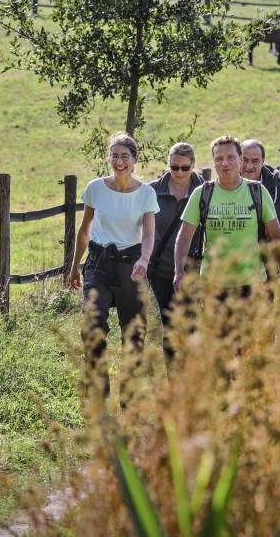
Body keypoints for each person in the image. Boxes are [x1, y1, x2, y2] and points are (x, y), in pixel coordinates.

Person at [69, 132, 160, 401]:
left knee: (133, 331)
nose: (119, 161)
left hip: (132, 266)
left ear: (135, 159)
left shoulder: (146, 194)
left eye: (125, 156)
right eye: (115, 156)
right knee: (93, 325)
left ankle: (129, 396)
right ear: (109, 158)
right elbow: (85, 231)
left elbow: (149, 235)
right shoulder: (95, 188)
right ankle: (97, 393)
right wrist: (75, 267)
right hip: (98, 264)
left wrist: (144, 260)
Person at [173, 136, 280, 298]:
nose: (224, 163)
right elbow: (184, 236)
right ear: (213, 162)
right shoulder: (202, 194)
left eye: (230, 157)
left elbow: (277, 236)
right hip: (213, 286)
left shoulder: (258, 192)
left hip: (254, 285)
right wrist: (179, 271)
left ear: (240, 160)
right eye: (219, 158)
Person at [148, 142, 204, 364]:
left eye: (185, 167)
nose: (180, 172)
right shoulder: (152, 191)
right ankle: (174, 382)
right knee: (169, 326)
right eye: (175, 167)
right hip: (161, 271)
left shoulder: (205, 191)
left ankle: (190, 380)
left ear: (193, 165)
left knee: (189, 324)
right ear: (168, 165)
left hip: (194, 271)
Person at [240, 139, 280, 246]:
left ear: (263, 161)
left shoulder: (279, 188)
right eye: (245, 160)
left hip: (272, 261)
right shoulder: (227, 188)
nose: (249, 166)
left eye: (255, 161)